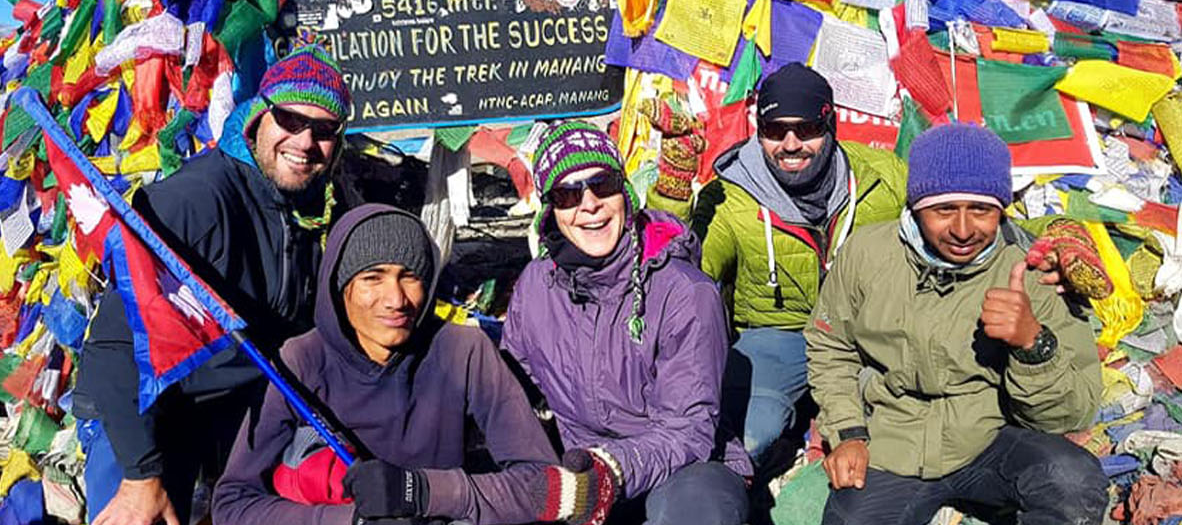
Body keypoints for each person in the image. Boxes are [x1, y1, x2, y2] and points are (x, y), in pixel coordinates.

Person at [74, 41, 353, 525]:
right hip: (149, 412)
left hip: (237, 405)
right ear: (257, 117)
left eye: (324, 130)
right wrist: (142, 476)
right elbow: (117, 342)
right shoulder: (195, 200)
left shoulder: (308, 204)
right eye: (289, 120)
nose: (305, 142)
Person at [213, 203, 616, 525]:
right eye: (373, 277)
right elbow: (233, 504)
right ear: (339, 288)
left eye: (410, 277)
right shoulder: (299, 363)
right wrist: (351, 520)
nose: (396, 299)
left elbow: (541, 486)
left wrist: (420, 493)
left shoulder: (463, 351)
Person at [804, 123, 1108, 525]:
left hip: (988, 437)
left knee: (1074, 484)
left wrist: (1033, 344)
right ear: (915, 207)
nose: (963, 230)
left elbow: (1071, 415)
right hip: (891, 443)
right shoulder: (867, 254)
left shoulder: (1035, 271)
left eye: (981, 209)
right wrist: (848, 434)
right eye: (944, 209)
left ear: (1001, 209)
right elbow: (831, 348)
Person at [502, 121, 752, 525]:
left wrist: (609, 471)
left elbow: (688, 430)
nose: (589, 205)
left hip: (682, 464)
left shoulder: (684, 292)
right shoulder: (536, 285)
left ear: (625, 192)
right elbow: (514, 390)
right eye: (567, 195)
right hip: (582, 468)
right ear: (551, 209)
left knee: (698, 510)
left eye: (602, 185)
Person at [684, 62, 907, 464]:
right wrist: (671, 195)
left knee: (893, 437)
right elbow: (684, 268)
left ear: (830, 125)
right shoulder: (731, 194)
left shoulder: (881, 178)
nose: (790, 144)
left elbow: (962, 219)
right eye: (775, 131)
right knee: (749, 437)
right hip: (775, 335)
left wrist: (1057, 233)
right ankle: (776, 458)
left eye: (806, 129)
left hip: (863, 334)